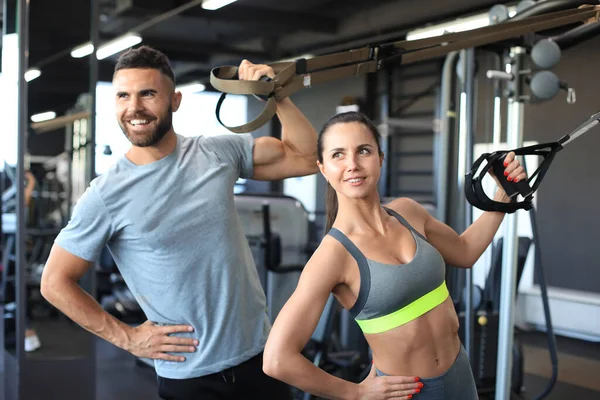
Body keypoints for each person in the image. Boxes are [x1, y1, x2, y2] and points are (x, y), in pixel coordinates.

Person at [40, 45, 318, 400]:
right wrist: (127, 338)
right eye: (123, 96)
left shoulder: (217, 153)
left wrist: (276, 93)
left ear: (175, 100)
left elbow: (308, 158)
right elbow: (54, 282)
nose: (134, 108)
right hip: (191, 379)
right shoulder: (106, 195)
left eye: (148, 94)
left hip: (264, 359)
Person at [262, 111, 527, 400]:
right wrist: (356, 393)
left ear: (380, 158)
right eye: (338, 155)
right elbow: (277, 359)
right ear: (323, 168)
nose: (352, 164)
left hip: (461, 377)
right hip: (407, 393)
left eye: (363, 151)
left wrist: (502, 195)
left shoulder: (408, 212)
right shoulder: (332, 255)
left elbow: (465, 252)